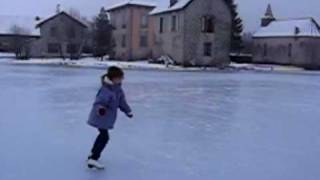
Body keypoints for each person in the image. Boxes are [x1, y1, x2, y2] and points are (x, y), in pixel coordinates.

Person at [87, 66, 133, 169]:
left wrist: (128, 111)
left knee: (102, 136)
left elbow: (122, 102)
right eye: (120, 77)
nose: (122, 79)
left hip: (107, 119)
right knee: (104, 137)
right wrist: (101, 109)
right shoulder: (106, 90)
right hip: (100, 117)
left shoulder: (118, 90)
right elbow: (98, 102)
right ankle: (93, 158)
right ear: (113, 78)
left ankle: (92, 155)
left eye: (122, 77)